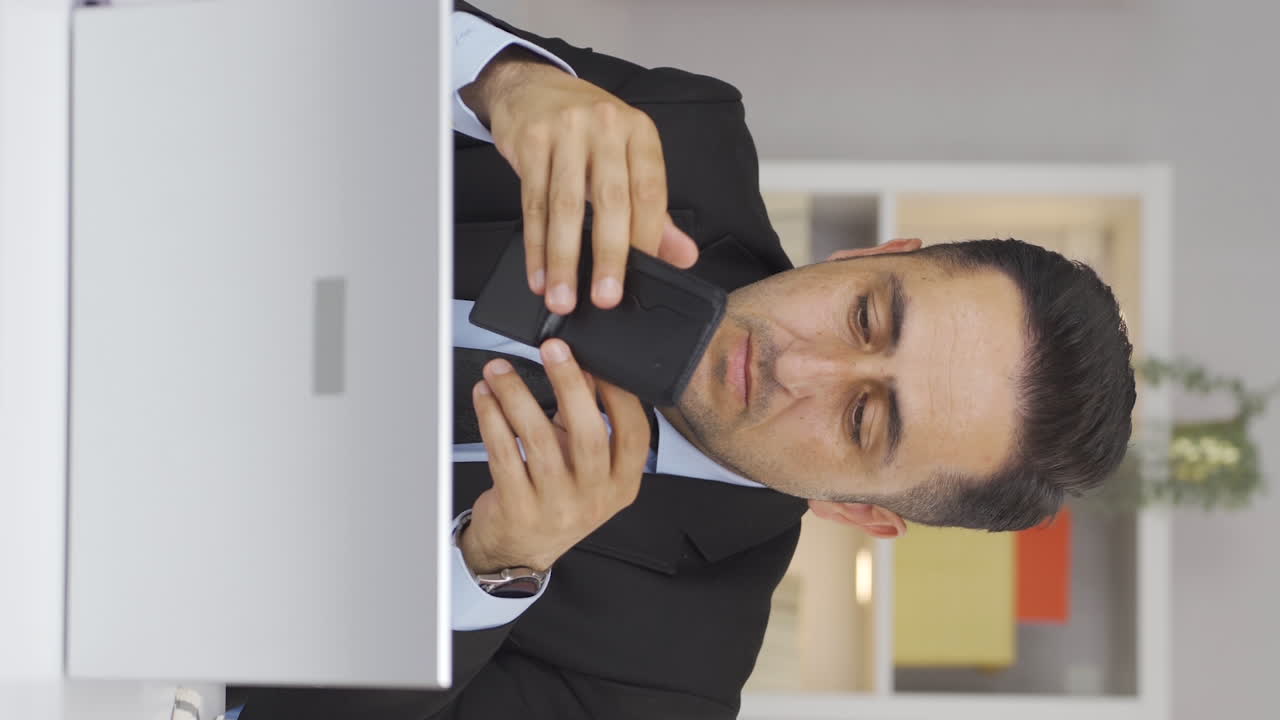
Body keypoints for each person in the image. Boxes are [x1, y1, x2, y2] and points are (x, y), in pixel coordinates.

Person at [229, 3, 1135, 718]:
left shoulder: (669, 686)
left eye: (863, 419)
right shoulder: (681, 136)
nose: (800, 369)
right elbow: (275, 41)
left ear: (859, 511)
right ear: (870, 255)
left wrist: (491, 568)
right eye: (866, 316)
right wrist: (496, 77)